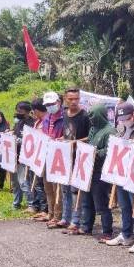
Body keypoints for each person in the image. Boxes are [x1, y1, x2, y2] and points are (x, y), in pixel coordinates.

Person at [105, 101, 134, 250]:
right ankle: (126, 234)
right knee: (124, 205)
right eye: (122, 119)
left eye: (127, 118)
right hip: (121, 171)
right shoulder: (120, 127)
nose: (125, 121)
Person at [78, 103, 115, 239]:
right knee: (87, 201)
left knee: (101, 203)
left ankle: (107, 231)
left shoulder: (110, 131)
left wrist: (96, 152)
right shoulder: (93, 129)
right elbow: (90, 143)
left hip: (101, 171)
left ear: (100, 115)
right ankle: (86, 227)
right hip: (89, 169)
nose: (91, 118)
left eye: (93, 115)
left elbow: (111, 149)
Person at [60, 88, 91, 233]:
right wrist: (61, 140)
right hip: (65, 158)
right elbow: (66, 134)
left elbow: (90, 137)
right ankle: (65, 218)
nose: (74, 101)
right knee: (65, 189)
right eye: (71, 99)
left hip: (80, 158)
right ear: (65, 99)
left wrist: (76, 142)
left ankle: (76, 220)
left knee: (76, 191)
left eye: (76, 99)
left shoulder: (85, 116)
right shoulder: (64, 114)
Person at [42, 91, 65, 228]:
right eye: (47, 105)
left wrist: (61, 140)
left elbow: (69, 135)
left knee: (58, 189)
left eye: (51, 104)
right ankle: (50, 213)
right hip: (46, 155)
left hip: (59, 156)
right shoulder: (47, 117)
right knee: (48, 187)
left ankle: (58, 215)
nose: (49, 106)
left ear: (58, 102)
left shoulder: (65, 117)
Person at [11, 101, 34, 210]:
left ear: (27, 112)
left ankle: (31, 204)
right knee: (15, 183)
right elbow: (15, 133)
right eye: (17, 110)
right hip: (15, 156)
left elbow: (31, 141)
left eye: (20, 111)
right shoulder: (18, 122)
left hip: (25, 158)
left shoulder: (31, 123)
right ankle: (16, 203)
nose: (17, 113)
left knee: (23, 182)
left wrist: (19, 140)